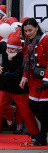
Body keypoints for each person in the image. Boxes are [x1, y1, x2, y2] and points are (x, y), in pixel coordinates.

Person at [0, 31, 40, 143]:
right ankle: (10, 115)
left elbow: (17, 75)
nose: (9, 51)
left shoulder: (23, 57)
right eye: (8, 48)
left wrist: (0, 75)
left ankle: (35, 134)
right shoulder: (4, 48)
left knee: (26, 112)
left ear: (18, 49)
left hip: (19, 88)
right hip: (4, 86)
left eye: (12, 49)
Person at [20, 18, 48, 146]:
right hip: (33, 79)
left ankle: (42, 136)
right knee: (33, 106)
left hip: (45, 79)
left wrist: (47, 79)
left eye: (30, 30)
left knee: (43, 108)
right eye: (25, 31)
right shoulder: (27, 42)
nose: (28, 33)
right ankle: (43, 133)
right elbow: (27, 63)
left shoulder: (45, 40)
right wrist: (24, 76)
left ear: (37, 27)